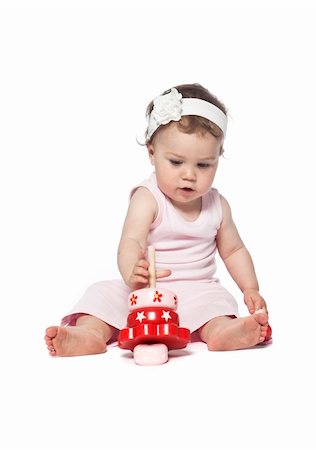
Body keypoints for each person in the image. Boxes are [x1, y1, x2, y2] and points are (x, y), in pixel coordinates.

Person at [45, 83, 270, 357]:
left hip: (196, 292)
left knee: (218, 304)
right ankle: (89, 334)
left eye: (203, 165)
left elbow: (234, 250)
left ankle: (224, 333)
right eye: (176, 162)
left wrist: (250, 288)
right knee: (101, 296)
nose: (189, 175)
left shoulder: (217, 205)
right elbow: (130, 241)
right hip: (145, 291)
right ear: (152, 153)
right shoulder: (148, 198)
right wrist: (131, 269)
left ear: (217, 159)